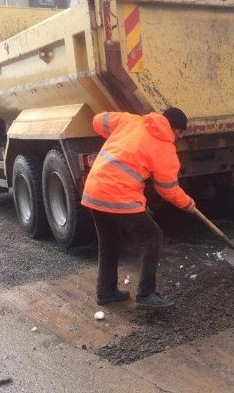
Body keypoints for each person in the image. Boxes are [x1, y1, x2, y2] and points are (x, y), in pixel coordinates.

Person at [81, 107, 195, 310]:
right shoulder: (164, 147)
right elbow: (167, 188)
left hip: (94, 190)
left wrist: (121, 138)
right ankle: (146, 295)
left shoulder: (130, 121)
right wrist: (187, 203)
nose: (178, 137)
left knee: (109, 243)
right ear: (174, 128)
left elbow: (98, 120)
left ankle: (106, 292)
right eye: (180, 133)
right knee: (152, 238)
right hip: (119, 195)